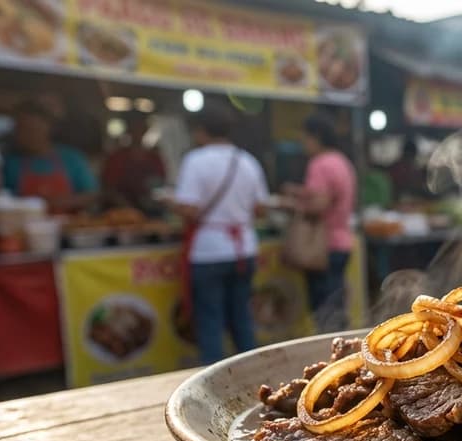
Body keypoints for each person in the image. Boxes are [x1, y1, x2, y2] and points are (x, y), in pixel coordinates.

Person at [174, 104, 268, 364]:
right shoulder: (247, 161)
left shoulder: (196, 160)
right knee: (242, 319)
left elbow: (189, 209)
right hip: (244, 249)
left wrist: (168, 202)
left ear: (200, 131)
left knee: (210, 322)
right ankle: (254, 377)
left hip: (209, 251)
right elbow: (261, 209)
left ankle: (213, 386)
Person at [284, 114, 357, 331]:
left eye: (304, 139)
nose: (303, 144)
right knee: (336, 306)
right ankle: (346, 354)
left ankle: (332, 358)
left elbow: (320, 204)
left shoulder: (319, 164)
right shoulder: (341, 161)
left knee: (325, 311)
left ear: (316, 137)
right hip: (342, 242)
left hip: (323, 247)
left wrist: (290, 204)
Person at [3, 100, 98, 214]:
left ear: (48, 129)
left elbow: (92, 195)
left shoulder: (72, 158)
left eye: (34, 130)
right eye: (22, 130)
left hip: (67, 227)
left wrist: (57, 202)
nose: (28, 136)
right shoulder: (10, 163)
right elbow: (2, 200)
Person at [101, 113, 165, 215]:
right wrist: (127, 208)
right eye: (135, 127)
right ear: (128, 130)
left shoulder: (154, 158)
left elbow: (160, 186)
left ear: (146, 130)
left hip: (151, 212)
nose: (138, 132)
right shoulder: (117, 158)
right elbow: (109, 189)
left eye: (141, 128)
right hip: (120, 213)